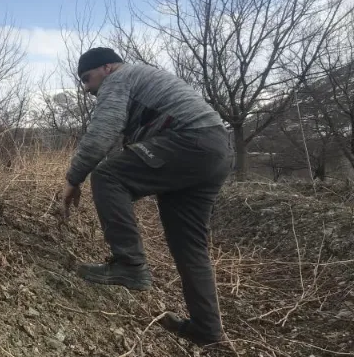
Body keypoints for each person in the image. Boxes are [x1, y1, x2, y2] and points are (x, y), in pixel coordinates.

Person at [61, 47, 234, 347]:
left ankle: (129, 265)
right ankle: (207, 330)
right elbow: (131, 146)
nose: (87, 88)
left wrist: (73, 179)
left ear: (108, 67)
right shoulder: (143, 82)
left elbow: (102, 132)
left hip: (191, 140)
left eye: (87, 78)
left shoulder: (120, 78)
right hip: (216, 150)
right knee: (188, 245)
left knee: (107, 175)